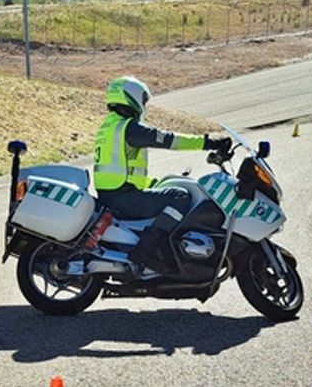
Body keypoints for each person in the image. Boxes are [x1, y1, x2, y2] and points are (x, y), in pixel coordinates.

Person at [92, 76, 231, 275]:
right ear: (132, 97)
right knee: (180, 196)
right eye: (144, 100)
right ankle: (144, 252)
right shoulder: (129, 128)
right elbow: (168, 139)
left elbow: (123, 170)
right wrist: (208, 142)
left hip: (116, 195)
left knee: (167, 189)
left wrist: (155, 183)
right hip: (123, 199)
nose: (145, 105)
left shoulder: (109, 127)